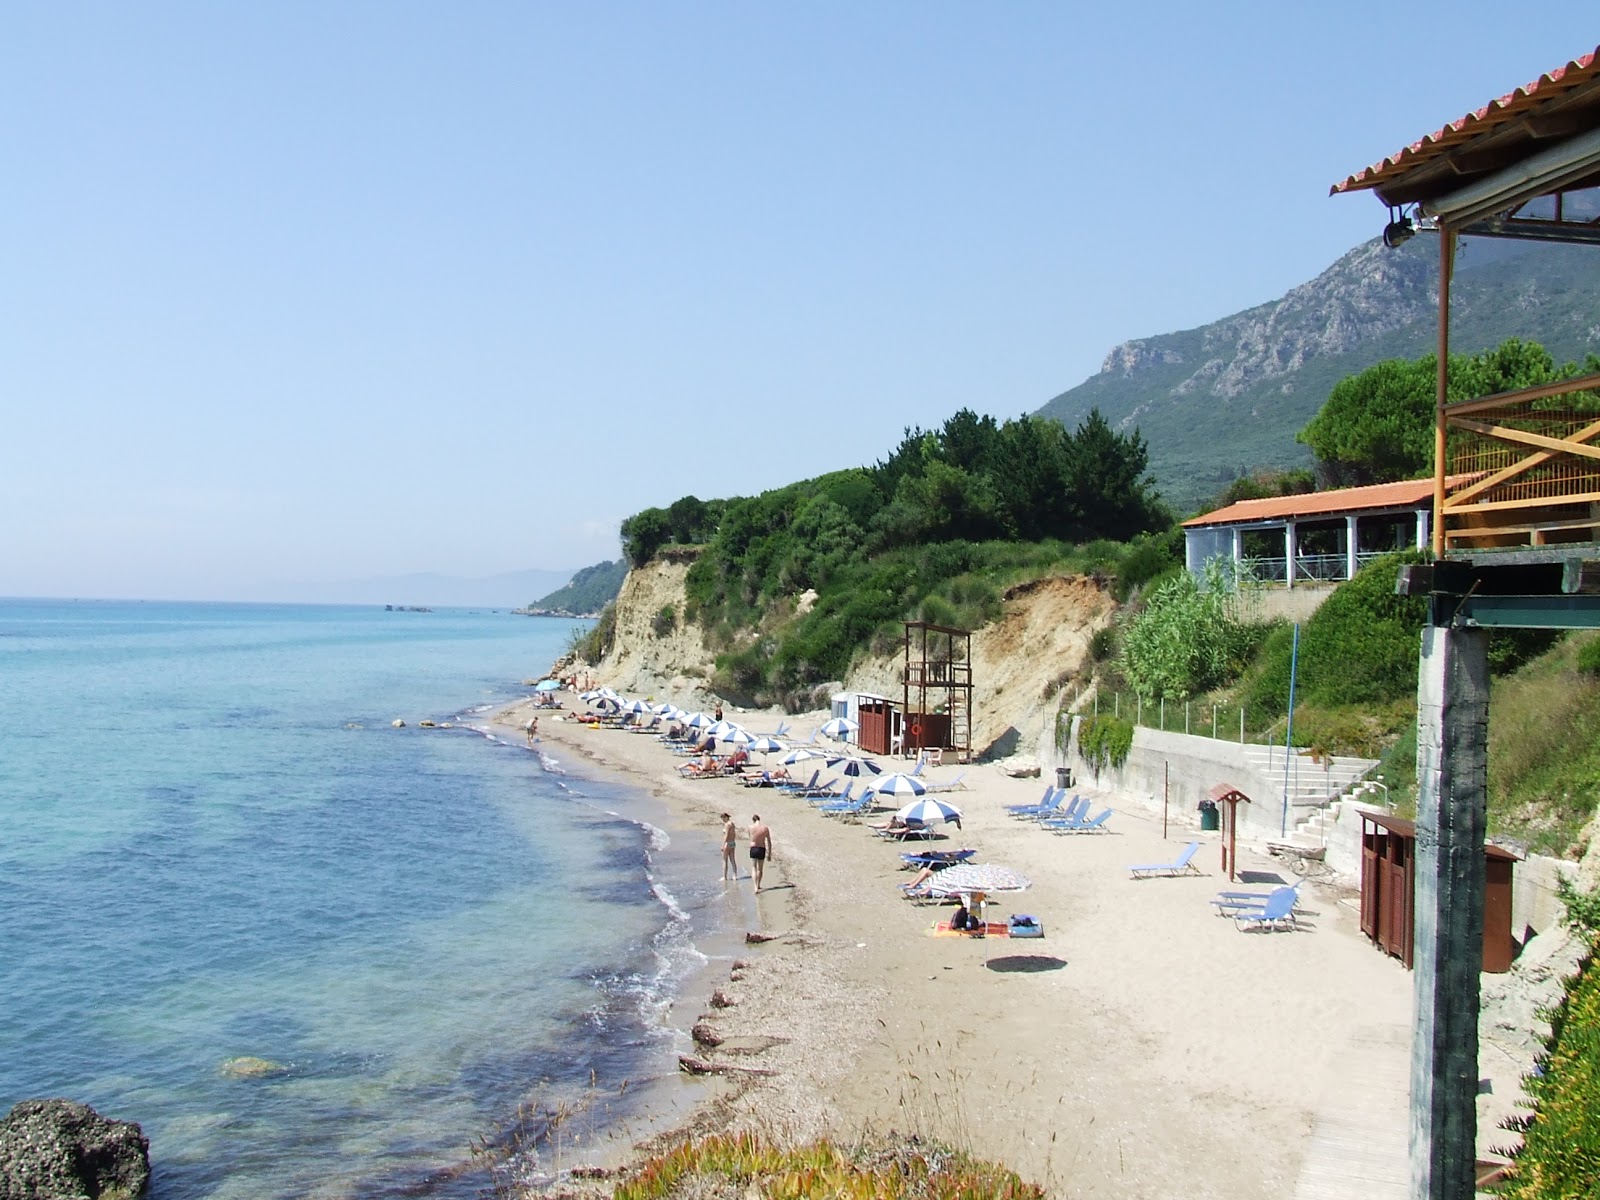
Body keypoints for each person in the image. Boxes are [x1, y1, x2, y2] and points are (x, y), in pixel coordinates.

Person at [748, 815, 773, 890]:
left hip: (753, 847)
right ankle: (758, 885)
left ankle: (755, 886)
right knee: (760, 869)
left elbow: (751, 838)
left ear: (753, 820)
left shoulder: (750, 827)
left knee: (754, 867)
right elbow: (769, 841)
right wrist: (769, 854)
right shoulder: (765, 828)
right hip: (761, 848)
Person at [720, 812, 737, 882]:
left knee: (724, 860)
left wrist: (723, 845)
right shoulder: (732, 824)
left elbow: (726, 835)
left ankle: (724, 876)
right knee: (732, 859)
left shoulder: (727, 825)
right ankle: (735, 875)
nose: (723, 820)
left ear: (725, 817)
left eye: (723, 818)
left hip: (727, 843)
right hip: (732, 842)